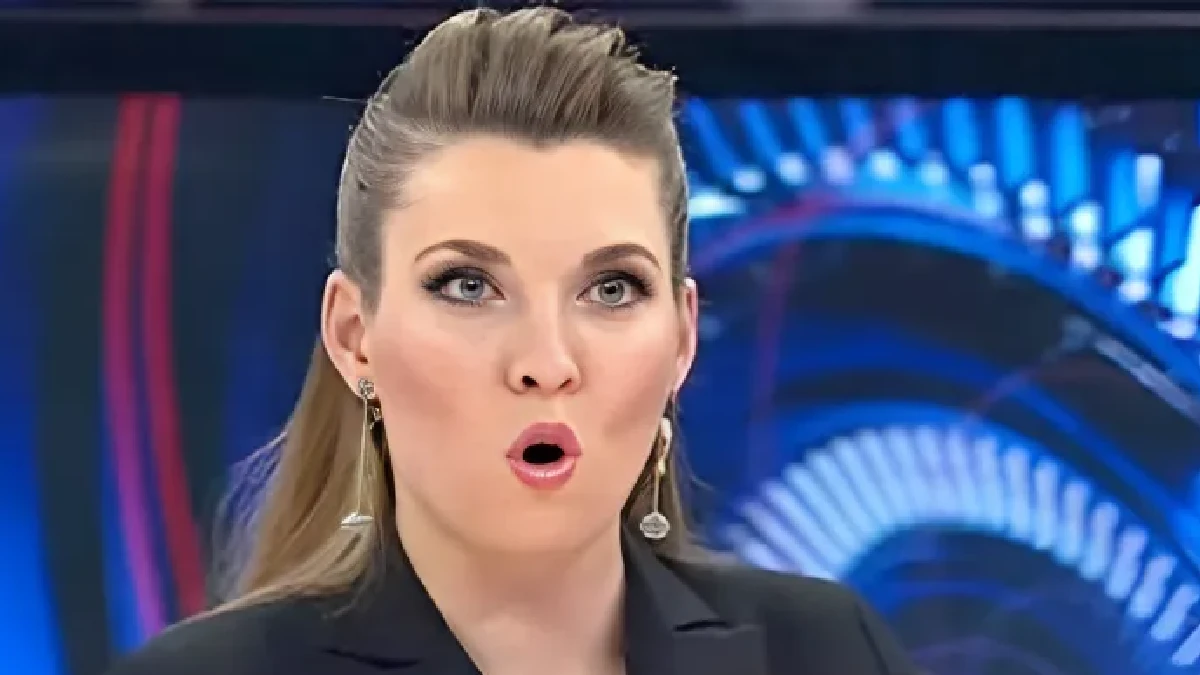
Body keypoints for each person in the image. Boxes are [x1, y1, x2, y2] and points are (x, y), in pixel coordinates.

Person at [106, 7, 919, 675]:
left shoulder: (826, 650)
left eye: (611, 289)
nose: (546, 364)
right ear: (355, 338)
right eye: (468, 285)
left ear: (681, 339)